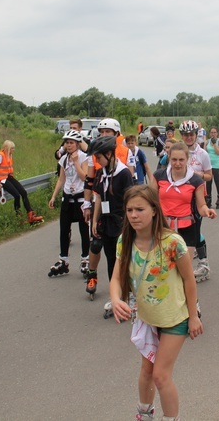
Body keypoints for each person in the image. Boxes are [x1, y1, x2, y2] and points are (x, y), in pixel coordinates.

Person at [109, 185, 202, 421]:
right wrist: (115, 298)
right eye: (129, 210)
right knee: (146, 371)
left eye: (139, 209)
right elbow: (116, 278)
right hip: (147, 319)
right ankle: (144, 413)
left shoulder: (172, 242)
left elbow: (189, 279)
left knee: (161, 375)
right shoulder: (124, 242)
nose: (133, 215)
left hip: (174, 319)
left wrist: (193, 316)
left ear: (154, 210)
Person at [85, 136, 134, 318]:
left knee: (122, 260)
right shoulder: (101, 173)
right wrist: (95, 221)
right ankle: (118, 297)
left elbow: (131, 200)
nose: (96, 161)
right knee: (110, 260)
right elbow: (98, 197)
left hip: (120, 222)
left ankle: (125, 296)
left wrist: (129, 224)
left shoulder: (124, 174)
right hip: (105, 222)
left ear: (109, 154)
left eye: (99, 157)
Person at [151, 141, 217, 266]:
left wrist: (207, 211)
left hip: (187, 228)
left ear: (188, 159)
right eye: (174, 159)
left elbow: (201, 205)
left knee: (184, 271)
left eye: (181, 159)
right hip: (162, 227)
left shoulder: (195, 180)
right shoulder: (159, 176)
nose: (177, 163)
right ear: (169, 158)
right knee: (163, 267)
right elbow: (150, 200)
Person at [48, 130, 91, 277]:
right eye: (67, 142)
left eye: (72, 142)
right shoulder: (63, 159)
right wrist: (54, 196)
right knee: (64, 230)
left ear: (78, 144)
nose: (69, 145)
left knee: (84, 230)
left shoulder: (84, 157)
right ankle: (63, 260)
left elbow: (84, 177)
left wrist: (76, 162)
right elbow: (61, 179)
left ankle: (85, 259)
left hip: (80, 199)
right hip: (67, 198)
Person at [177, 121, 214, 282]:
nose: (189, 137)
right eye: (185, 135)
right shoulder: (178, 151)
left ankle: (203, 263)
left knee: (195, 230)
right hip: (180, 197)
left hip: (197, 197)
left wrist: (196, 174)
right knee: (182, 231)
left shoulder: (202, 154)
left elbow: (209, 176)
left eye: (191, 134)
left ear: (196, 135)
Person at [0, 140, 43, 224]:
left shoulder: (10, 155)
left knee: (23, 192)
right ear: (7, 148)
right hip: (3, 179)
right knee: (17, 195)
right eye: (12, 148)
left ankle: (31, 215)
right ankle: (18, 217)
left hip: (9, 177)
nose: (13, 150)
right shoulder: (1, 155)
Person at [205, 127, 219, 209]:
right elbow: (204, 153)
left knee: (217, 181)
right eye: (211, 132)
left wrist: (215, 144)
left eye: (214, 132)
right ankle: (208, 198)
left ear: (217, 133)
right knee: (208, 181)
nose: (213, 134)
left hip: (217, 165)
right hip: (209, 165)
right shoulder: (207, 142)